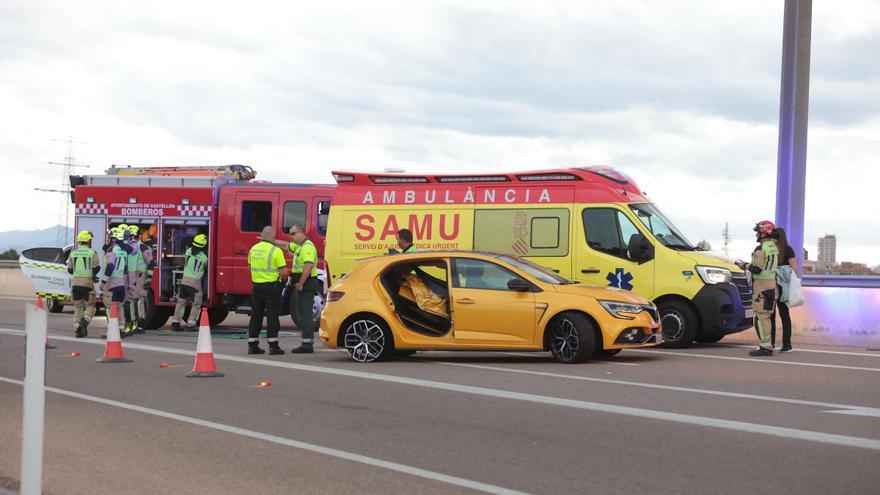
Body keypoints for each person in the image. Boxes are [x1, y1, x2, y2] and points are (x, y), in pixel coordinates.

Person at [735, 220, 779, 357]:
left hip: (761, 286)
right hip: (771, 285)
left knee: (761, 317)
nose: (756, 236)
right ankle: (768, 345)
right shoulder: (773, 247)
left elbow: (757, 269)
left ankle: (765, 346)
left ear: (764, 233)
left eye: (758, 233)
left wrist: (743, 265)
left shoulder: (760, 249)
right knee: (767, 316)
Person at [247, 226, 289, 355]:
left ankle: (253, 345)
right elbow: (283, 273)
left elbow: (249, 267)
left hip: (257, 287)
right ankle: (273, 345)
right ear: (273, 236)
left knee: (256, 315)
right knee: (272, 316)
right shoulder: (275, 251)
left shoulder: (253, 249)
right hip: (272, 287)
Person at [288, 223, 321, 354]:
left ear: (301, 232)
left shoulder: (307, 247)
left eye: (293, 233)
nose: (291, 237)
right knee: (301, 312)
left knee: (306, 314)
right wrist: (270, 241)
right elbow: (286, 245)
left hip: (306, 284)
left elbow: (308, 266)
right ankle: (305, 342)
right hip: (301, 284)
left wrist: (301, 283)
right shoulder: (299, 246)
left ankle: (307, 345)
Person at [171, 234, 208, 331]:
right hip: (195, 283)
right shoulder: (204, 257)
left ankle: (175, 322)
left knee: (181, 302)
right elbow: (206, 268)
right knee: (196, 304)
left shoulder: (188, 251)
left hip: (184, 281)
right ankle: (191, 323)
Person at [67, 230, 100, 338]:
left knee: (78, 307)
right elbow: (95, 269)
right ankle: (84, 321)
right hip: (87, 284)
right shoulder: (92, 253)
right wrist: (92, 275)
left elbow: (70, 270)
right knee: (90, 306)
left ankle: (77, 330)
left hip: (76, 284)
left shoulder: (73, 253)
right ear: (89, 240)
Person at [771, 227, 797, 352]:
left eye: (773, 237)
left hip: (780, 285)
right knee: (773, 315)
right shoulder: (772, 250)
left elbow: (793, 268)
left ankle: (786, 344)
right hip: (773, 285)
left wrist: (778, 271)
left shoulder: (787, 249)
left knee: (783, 314)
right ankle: (773, 343)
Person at [101, 227, 130, 336]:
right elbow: (125, 269)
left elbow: (110, 266)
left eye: (109, 237)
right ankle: (121, 329)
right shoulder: (123, 251)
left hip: (111, 284)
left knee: (109, 307)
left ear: (113, 238)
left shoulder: (111, 250)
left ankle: (111, 331)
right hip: (121, 284)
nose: (108, 239)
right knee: (119, 306)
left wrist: (103, 282)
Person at [126, 225, 153, 334]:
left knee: (130, 300)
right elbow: (150, 263)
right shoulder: (144, 247)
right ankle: (139, 324)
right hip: (140, 275)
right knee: (139, 299)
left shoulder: (125, 247)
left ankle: (130, 323)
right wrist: (149, 280)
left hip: (128, 276)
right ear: (139, 236)